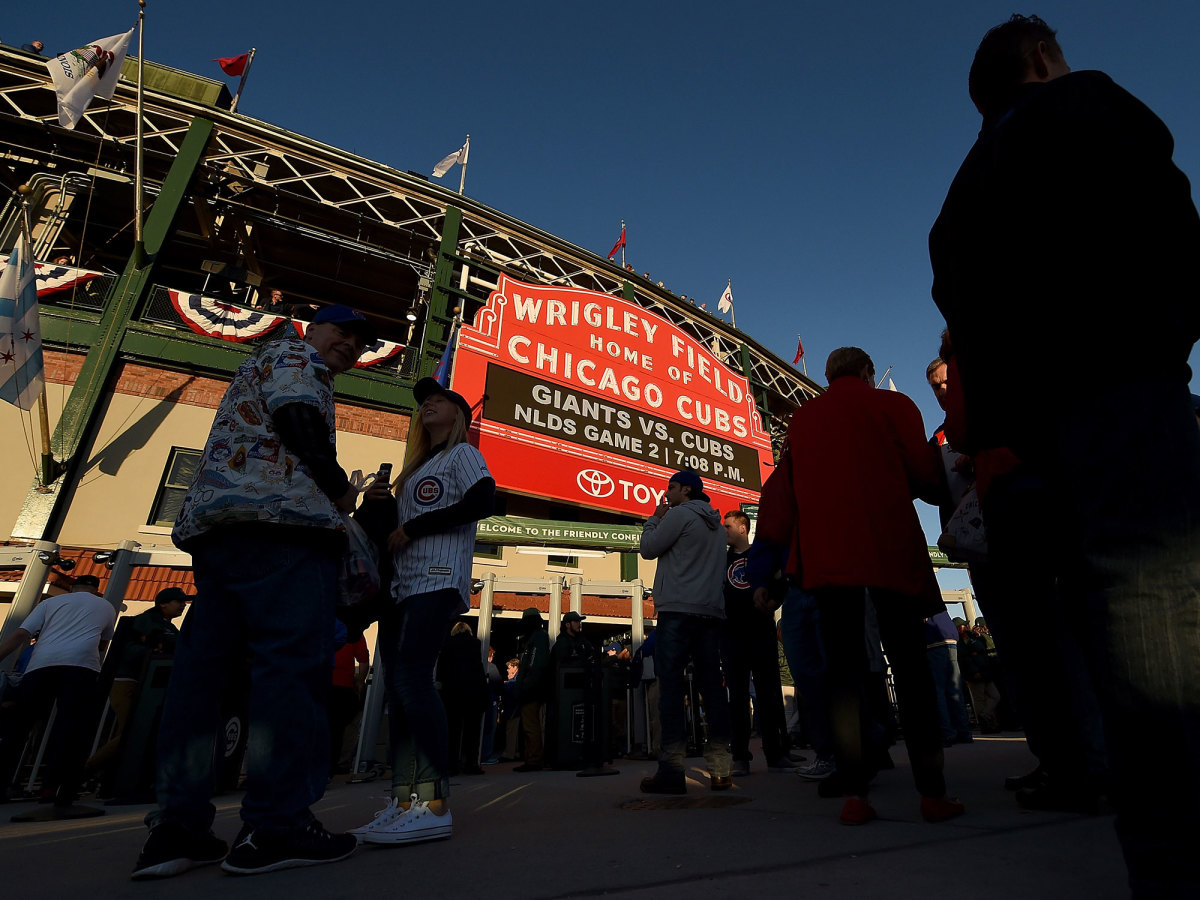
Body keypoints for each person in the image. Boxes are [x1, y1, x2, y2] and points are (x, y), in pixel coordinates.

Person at [929, 17, 1200, 894]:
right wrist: (1163, 341)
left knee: (1102, 632)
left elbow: (960, 313)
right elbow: (1173, 222)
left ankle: (1158, 853)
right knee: (1158, 614)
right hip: (1124, 392)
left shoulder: (960, 197)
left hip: (1036, 449)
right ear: (1043, 60)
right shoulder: (1084, 104)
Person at [132, 304, 376, 878]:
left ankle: (177, 830)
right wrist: (338, 487)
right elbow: (297, 415)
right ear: (312, 327)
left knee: (202, 681)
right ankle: (276, 827)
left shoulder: (264, 362)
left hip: (221, 536)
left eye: (361, 341)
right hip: (283, 529)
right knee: (289, 673)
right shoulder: (296, 354)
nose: (351, 344)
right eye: (342, 331)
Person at [785, 347, 962, 826]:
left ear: (828, 375)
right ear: (867, 371)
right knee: (910, 667)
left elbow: (788, 492)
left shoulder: (802, 418)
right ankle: (932, 793)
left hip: (830, 558)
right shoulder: (894, 405)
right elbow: (925, 475)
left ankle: (855, 795)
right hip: (890, 547)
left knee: (843, 675)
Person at [350, 377, 493, 845]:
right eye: (425, 401)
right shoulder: (415, 469)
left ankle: (434, 802)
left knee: (412, 680)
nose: (429, 402)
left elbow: (483, 499)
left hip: (438, 576)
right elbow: (393, 531)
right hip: (401, 584)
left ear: (459, 415)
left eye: (440, 399)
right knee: (397, 689)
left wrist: (414, 527)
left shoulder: (463, 454)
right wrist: (377, 506)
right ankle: (403, 800)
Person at [637, 470, 732, 794]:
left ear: (687, 490)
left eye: (672, 487)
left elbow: (648, 548)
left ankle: (672, 770)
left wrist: (654, 519)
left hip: (677, 610)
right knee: (712, 687)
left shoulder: (679, 515)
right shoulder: (717, 527)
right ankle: (720, 769)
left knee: (671, 688)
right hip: (710, 612)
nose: (667, 493)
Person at [0, 573, 115, 808]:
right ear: (96, 590)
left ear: (72, 588)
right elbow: (103, 643)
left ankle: (2, 782)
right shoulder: (106, 606)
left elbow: (21, 634)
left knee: (19, 726)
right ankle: (53, 787)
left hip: (41, 665)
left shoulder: (51, 603)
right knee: (68, 728)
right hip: (82, 667)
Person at [721, 510, 796, 776]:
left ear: (743, 528)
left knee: (769, 694)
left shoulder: (761, 556)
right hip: (732, 635)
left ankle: (776, 754)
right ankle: (740, 757)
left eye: (728, 526)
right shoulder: (721, 559)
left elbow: (782, 581)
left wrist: (775, 601)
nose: (724, 530)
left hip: (761, 632)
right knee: (738, 697)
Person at [86, 587, 188, 779]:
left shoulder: (170, 628)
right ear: (163, 603)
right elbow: (132, 648)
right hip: (127, 681)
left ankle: (109, 775)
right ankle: (87, 770)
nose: (183, 605)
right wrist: (155, 652)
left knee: (134, 730)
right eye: (179, 601)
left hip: (148, 685)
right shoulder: (146, 621)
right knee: (132, 731)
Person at [513, 607, 551, 772]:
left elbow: (534, 664)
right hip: (533, 688)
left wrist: (526, 685)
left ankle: (534, 760)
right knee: (530, 725)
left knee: (531, 726)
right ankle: (531, 758)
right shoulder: (537, 637)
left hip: (532, 689)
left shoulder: (537, 638)